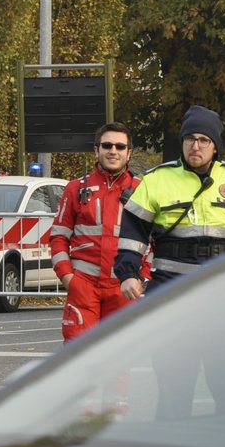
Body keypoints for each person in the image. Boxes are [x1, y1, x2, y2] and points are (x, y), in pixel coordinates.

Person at [112, 106, 225, 418]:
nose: (195, 146)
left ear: (215, 146)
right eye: (189, 139)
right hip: (172, 291)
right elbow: (132, 234)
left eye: (203, 140)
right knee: (173, 380)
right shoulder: (157, 181)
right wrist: (128, 273)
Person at [49, 123, 146, 341]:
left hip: (124, 287)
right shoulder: (75, 188)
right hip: (84, 286)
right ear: (96, 149)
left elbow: (153, 240)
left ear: (129, 152)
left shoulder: (142, 190)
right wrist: (67, 277)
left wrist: (143, 277)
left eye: (120, 146)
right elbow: (58, 237)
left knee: (117, 361)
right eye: (107, 145)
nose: (113, 151)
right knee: (78, 358)